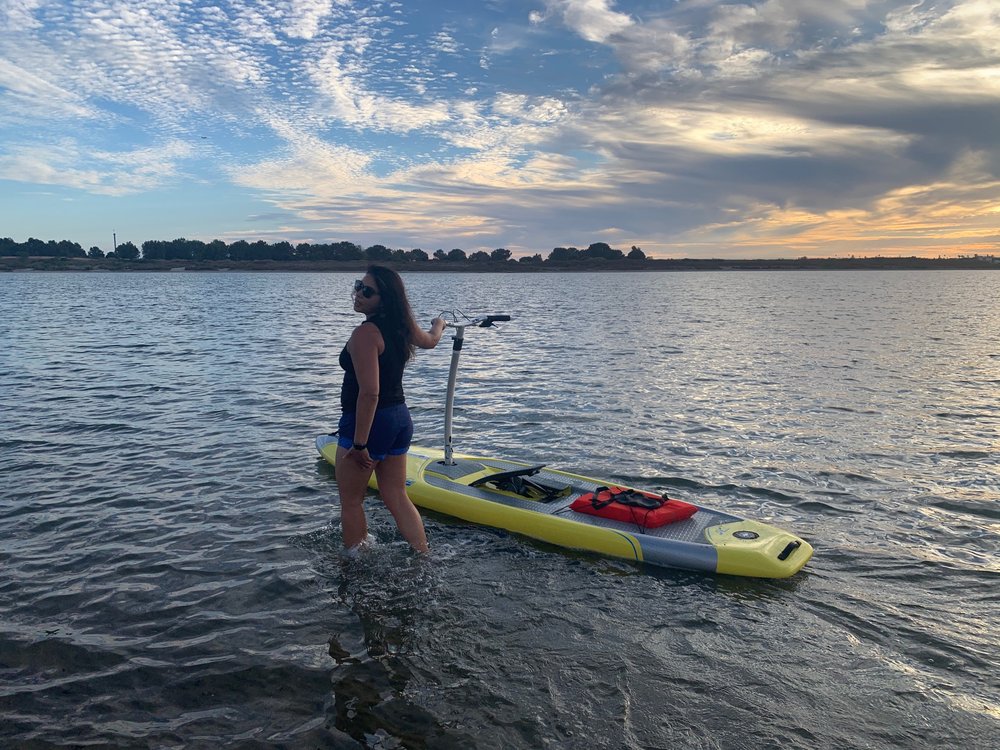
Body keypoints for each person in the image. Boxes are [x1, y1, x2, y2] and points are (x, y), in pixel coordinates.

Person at [335, 265, 446, 553]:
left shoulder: (365, 335)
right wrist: (439, 325)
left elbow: (370, 393)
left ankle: (354, 566)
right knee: (396, 494)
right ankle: (423, 554)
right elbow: (431, 341)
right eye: (358, 285)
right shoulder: (403, 326)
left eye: (367, 291)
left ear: (384, 299)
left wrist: (359, 444)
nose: (358, 294)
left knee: (351, 501)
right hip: (399, 420)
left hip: (370, 424)